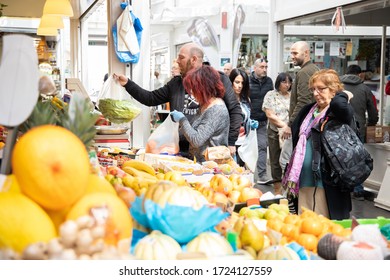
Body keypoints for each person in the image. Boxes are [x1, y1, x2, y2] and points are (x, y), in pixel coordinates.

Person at [113, 42, 242, 158]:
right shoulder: (176, 84)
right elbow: (150, 98)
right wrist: (128, 84)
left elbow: (234, 109)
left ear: (193, 59)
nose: (177, 61)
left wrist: (231, 142)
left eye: (181, 57)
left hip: (210, 154)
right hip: (181, 149)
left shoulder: (216, 79)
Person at [283, 69, 354, 220]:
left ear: (333, 90)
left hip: (327, 182)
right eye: (313, 89)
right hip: (304, 179)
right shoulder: (307, 111)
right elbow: (297, 140)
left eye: (321, 89)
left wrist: (343, 95)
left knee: (325, 226)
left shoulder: (338, 113)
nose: (316, 93)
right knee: (305, 224)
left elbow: (341, 106)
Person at [170, 65, 229, 162]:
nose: (191, 92)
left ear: (204, 87)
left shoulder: (216, 110)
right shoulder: (204, 104)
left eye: (194, 88)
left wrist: (182, 120)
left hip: (212, 166)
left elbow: (197, 140)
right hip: (199, 163)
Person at [340, 64, 379, 201]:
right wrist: (372, 124)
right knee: (357, 160)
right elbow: (373, 111)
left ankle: (341, 188)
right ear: (360, 74)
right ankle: (357, 189)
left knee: (338, 158)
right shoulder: (365, 89)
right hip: (358, 129)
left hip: (339, 128)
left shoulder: (338, 86)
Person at [262, 72, 293, 194]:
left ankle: (289, 188)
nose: (287, 85)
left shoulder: (292, 96)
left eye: (289, 82)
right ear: (278, 82)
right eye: (284, 82)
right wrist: (285, 126)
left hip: (289, 132)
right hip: (275, 131)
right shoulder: (271, 95)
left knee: (288, 160)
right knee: (275, 160)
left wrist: (289, 128)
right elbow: (270, 114)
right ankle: (277, 190)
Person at [283, 41, 319, 140]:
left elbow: (303, 101)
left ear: (306, 53)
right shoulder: (313, 69)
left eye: (295, 53)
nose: (292, 57)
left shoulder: (304, 72)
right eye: (291, 53)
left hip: (303, 124)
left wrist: (290, 124)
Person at [248, 58, 274, 184]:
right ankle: (246, 173)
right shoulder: (247, 81)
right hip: (249, 121)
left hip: (263, 121)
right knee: (246, 148)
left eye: (266, 67)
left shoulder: (269, 82)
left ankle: (262, 175)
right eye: (262, 67)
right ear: (255, 68)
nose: (264, 69)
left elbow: (271, 99)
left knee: (262, 147)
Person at [229, 68, 258, 166]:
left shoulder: (246, 100)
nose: (240, 86)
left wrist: (250, 123)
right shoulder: (226, 101)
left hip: (245, 142)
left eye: (242, 83)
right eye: (237, 82)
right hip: (230, 142)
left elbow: (246, 118)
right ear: (231, 82)